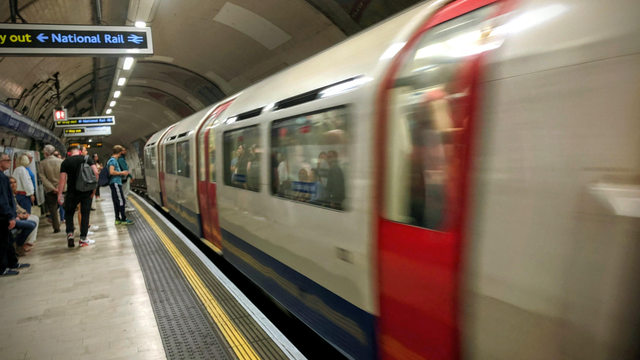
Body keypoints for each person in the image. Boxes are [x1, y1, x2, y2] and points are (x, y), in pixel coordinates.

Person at [58, 145, 99, 248]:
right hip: (86, 191)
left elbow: (62, 180)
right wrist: (94, 190)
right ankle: (83, 239)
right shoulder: (87, 159)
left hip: (71, 192)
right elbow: (96, 173)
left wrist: (60, 194)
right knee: (85, 214)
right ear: (80, 152)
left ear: (68, 153)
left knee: (69, 213)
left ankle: (70, 234)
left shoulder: (65, 162)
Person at [0, 154, 29, 276]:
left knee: (9, 240)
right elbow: (2, 199)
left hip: (6, 214)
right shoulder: (1, 178)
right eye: (6, 160)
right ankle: (2, 268)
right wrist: (9, 215)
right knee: (3, 242)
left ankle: (13, 262)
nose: (9, 162)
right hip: (2, 216)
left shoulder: (3, 176)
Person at [9, 177, 37, 256]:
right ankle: (19, 244)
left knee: (34, 221)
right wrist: (17, 216)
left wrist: (24, 213)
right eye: (11, 183)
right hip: (11, 219)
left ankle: (25, 242)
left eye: (14, 182)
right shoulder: (7, 196)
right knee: (31, 224)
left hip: (15, 217)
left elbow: (17, 207)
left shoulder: (13, 195)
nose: (13, 185)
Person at [39, 144, 63, 233]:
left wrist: (53, 188)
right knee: (65, 206)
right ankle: (69, 225)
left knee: (53, 208)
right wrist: (60, 188)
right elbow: (64, 176)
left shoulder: (42, 163)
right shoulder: (61, 161)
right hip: (62, 190)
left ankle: (56, 227)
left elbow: (43, 178)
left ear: (45, 153)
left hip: (50, 191)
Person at [108, 146, 134, 226]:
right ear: (119, 152)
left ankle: (117, 219)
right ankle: (123, 218)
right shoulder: (112, 160)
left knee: (116, 202)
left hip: (115, 183)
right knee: (121, 200)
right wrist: (121, 173)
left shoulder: (113, 160)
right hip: (115, 183)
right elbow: (111, 172)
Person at [118, 147, 134, 212]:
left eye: (125, 150)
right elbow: (125, 169)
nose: (124, 151)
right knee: (125, 193)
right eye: (122, 150)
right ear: (120, 152)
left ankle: (124, 206)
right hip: (124, 178)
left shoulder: (122, 159)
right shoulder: (121, 159)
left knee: (124, 193)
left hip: (123, 177)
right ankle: (125, 207)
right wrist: (131, 176)